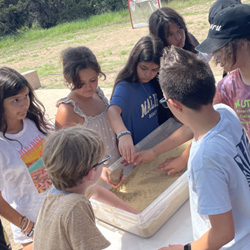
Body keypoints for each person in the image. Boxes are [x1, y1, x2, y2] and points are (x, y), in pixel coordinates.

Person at [158, 46, 250, 250]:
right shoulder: (225, 112)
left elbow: (223, 232)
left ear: (175, 104)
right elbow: (196, 130)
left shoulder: (204, 160)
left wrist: (185, 249)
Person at [33, 126, 138, 250]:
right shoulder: (75, 205)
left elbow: (95, 191)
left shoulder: (58, 189)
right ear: (91, 172)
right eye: (103, 161)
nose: (105, 165)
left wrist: (136, 215)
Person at [0, 67, 52, 246]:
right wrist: (29, 227)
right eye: (15, 100)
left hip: (59, 210)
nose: (24, 105)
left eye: (26, 96)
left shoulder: (34, 121)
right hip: (32, 227)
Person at [55, 46, 120, 166]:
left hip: (117, 163)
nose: (89, 87)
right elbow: (68, 156)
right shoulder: (67, 110)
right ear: (67, 79)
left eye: (93, 80)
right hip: (92, 176)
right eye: (81, 83)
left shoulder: (98, 93)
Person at [107, 35, 167, 163]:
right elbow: (112, 111)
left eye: (154, 70)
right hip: (136, 155)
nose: (148, 74)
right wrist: (123, 134)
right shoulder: (125, 86)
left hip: (155, 146)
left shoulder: (155, 82)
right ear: (134, 62)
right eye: (143, 68)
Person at [197, 3, 250, 138]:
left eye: (221, 48)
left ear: (243, 44)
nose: (216, 56)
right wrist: (155, 151)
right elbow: (204, 123)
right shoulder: (226, 88)